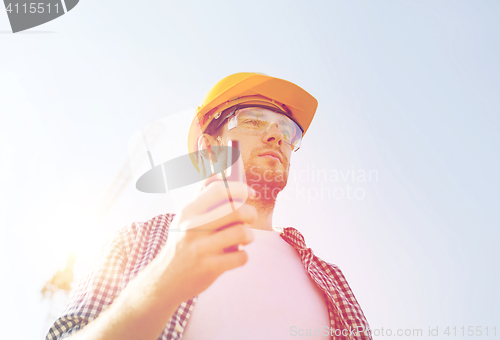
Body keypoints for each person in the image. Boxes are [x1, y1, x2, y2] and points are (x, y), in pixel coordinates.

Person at [46, 73, 372, 340]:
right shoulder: (137, 242)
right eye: (255, 120)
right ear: (210, 147)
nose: (278, 136)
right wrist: (163, 281)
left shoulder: (330, 279)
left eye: (288, 130)